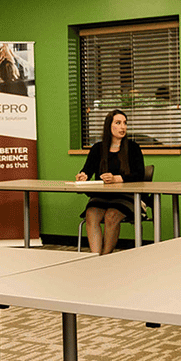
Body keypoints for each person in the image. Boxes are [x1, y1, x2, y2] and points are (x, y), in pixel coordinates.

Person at [76, 108, 145, 255]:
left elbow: (140, 175)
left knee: (111, 216)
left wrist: (116, 179)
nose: (123, 127)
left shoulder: (133, 148)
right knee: (91, 214)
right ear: (109, 126)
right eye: (118, 123)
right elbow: (87, 170)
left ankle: (106, 256)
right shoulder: (98, 148)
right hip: (102, 195)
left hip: (126, 196)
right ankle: (96, 256)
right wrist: (83, 176)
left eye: (125, 123)